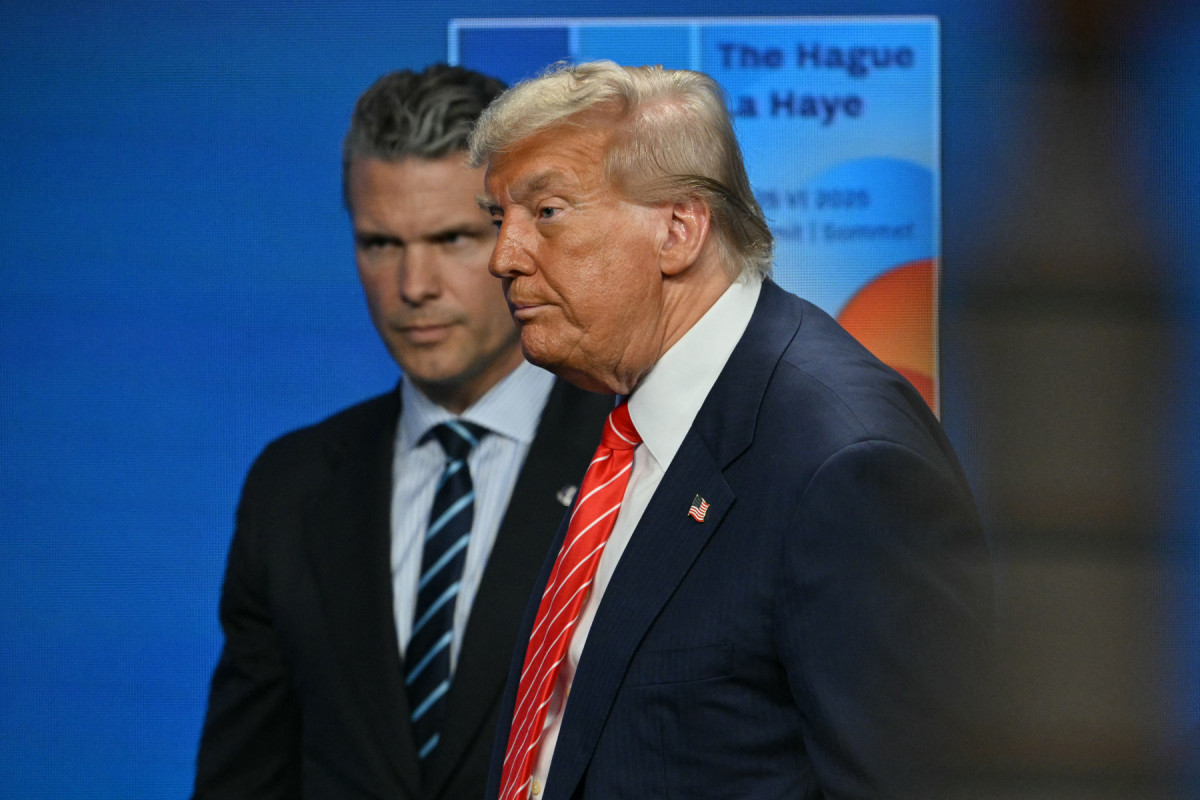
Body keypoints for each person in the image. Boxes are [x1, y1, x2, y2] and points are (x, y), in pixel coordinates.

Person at [468, 61, 994, 800]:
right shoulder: (629, 419)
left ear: (678, 230)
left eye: (547, 212)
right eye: (500, 220)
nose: (503, 258)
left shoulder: (846, 462)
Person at [192, 64, 611, 800]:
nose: (413, 286)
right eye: (381, 244)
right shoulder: (290, 490)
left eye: (452, 238)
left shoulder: (638, 460)